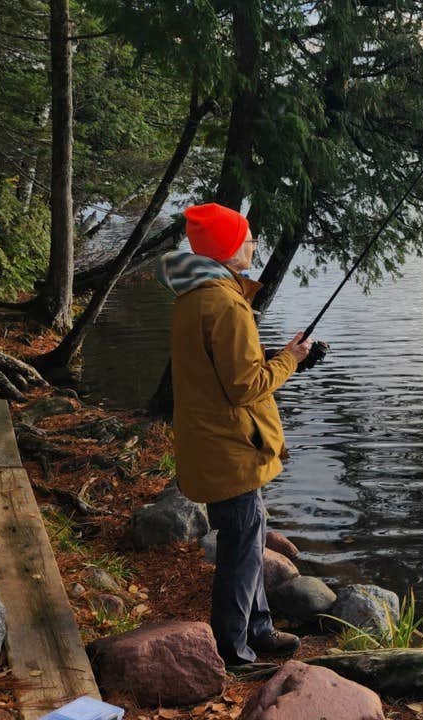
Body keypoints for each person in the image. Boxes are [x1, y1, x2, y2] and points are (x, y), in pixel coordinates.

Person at [158, 202, 312, 665]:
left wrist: (278, 355)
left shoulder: (198, 296)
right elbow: (245, 386)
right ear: (227, 249)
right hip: (229, 449)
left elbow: (222, 372)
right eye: (246, 238)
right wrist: (290, 362)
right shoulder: (225, 303)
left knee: (249, 535)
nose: (254, 244)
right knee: (242, 552)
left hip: (215, 444)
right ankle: (233, 649)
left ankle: (257, 629)